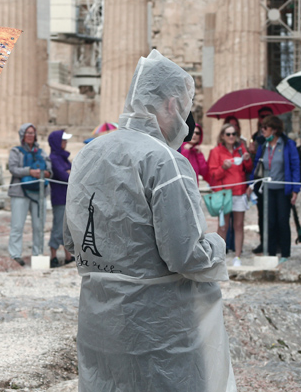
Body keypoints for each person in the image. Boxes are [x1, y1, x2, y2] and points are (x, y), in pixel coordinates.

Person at [63, 50, 234, 392]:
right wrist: (217, 244)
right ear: (172, 104)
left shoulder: (89, 153)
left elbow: (72, 240)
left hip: (99, 317)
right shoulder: (164, 161)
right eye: (186, 109)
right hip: (157, 324)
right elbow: (184, 255)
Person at [252, 115, 301, 262]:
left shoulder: (288, 144)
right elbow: (257, 165)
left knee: (282, 220)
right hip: (267, 190)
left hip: (282, 189)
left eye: (265, 127)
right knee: (269, 221)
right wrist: (251, 184)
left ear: (274, 129)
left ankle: (285, 253)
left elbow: (295, 166)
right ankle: (271, 252)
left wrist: (295, 189)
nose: (262, 130)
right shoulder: (263, 145)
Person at [208, 123, 252, 267]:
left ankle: (237, 257)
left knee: (239, 225)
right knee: (223, 226)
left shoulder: (241, 150)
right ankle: (219, 256)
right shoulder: (215, 152)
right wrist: (223, 168)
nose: (231, 137)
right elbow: (213, 174)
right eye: (228, 134)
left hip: (239, 191)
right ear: (222, 136)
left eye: (233, 134)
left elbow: (248, 169)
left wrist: (247, 159)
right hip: (224, 193)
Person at [7, 123, 50, 267]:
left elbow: (50, 169)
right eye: (28, 133)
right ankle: (15, 254)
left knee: (39, 226)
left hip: (39, 192)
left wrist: (44, 173)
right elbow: (13, 168)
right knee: (17, 225)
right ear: (22, 135)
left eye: (32, 133)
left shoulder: (42, 152)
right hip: (20, 192)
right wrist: (30, 172)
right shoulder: (15, 151)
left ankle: (37, 253)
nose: (30, 135)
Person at [47, 129, 74, 268]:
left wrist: (70, 172)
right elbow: (65, 176)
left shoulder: (63, 157)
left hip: (67, 197)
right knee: (58, 227)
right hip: (59, 197)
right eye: (63, 140)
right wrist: (69, 172)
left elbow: (71, 173)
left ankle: (68, 255)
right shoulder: (54, 158)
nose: (66, 142)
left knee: (67, 227)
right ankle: (53, 255)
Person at [250, 105, 275, 255]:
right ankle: (263, 242)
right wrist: (251, 152)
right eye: (262, 115)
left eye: (267, 115)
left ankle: (274, 243)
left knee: (275, 213)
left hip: (274, 178)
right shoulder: (255, 136)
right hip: (260, 179)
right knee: (262, 213)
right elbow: (254, 161)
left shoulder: (276, 136)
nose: (264, 118)